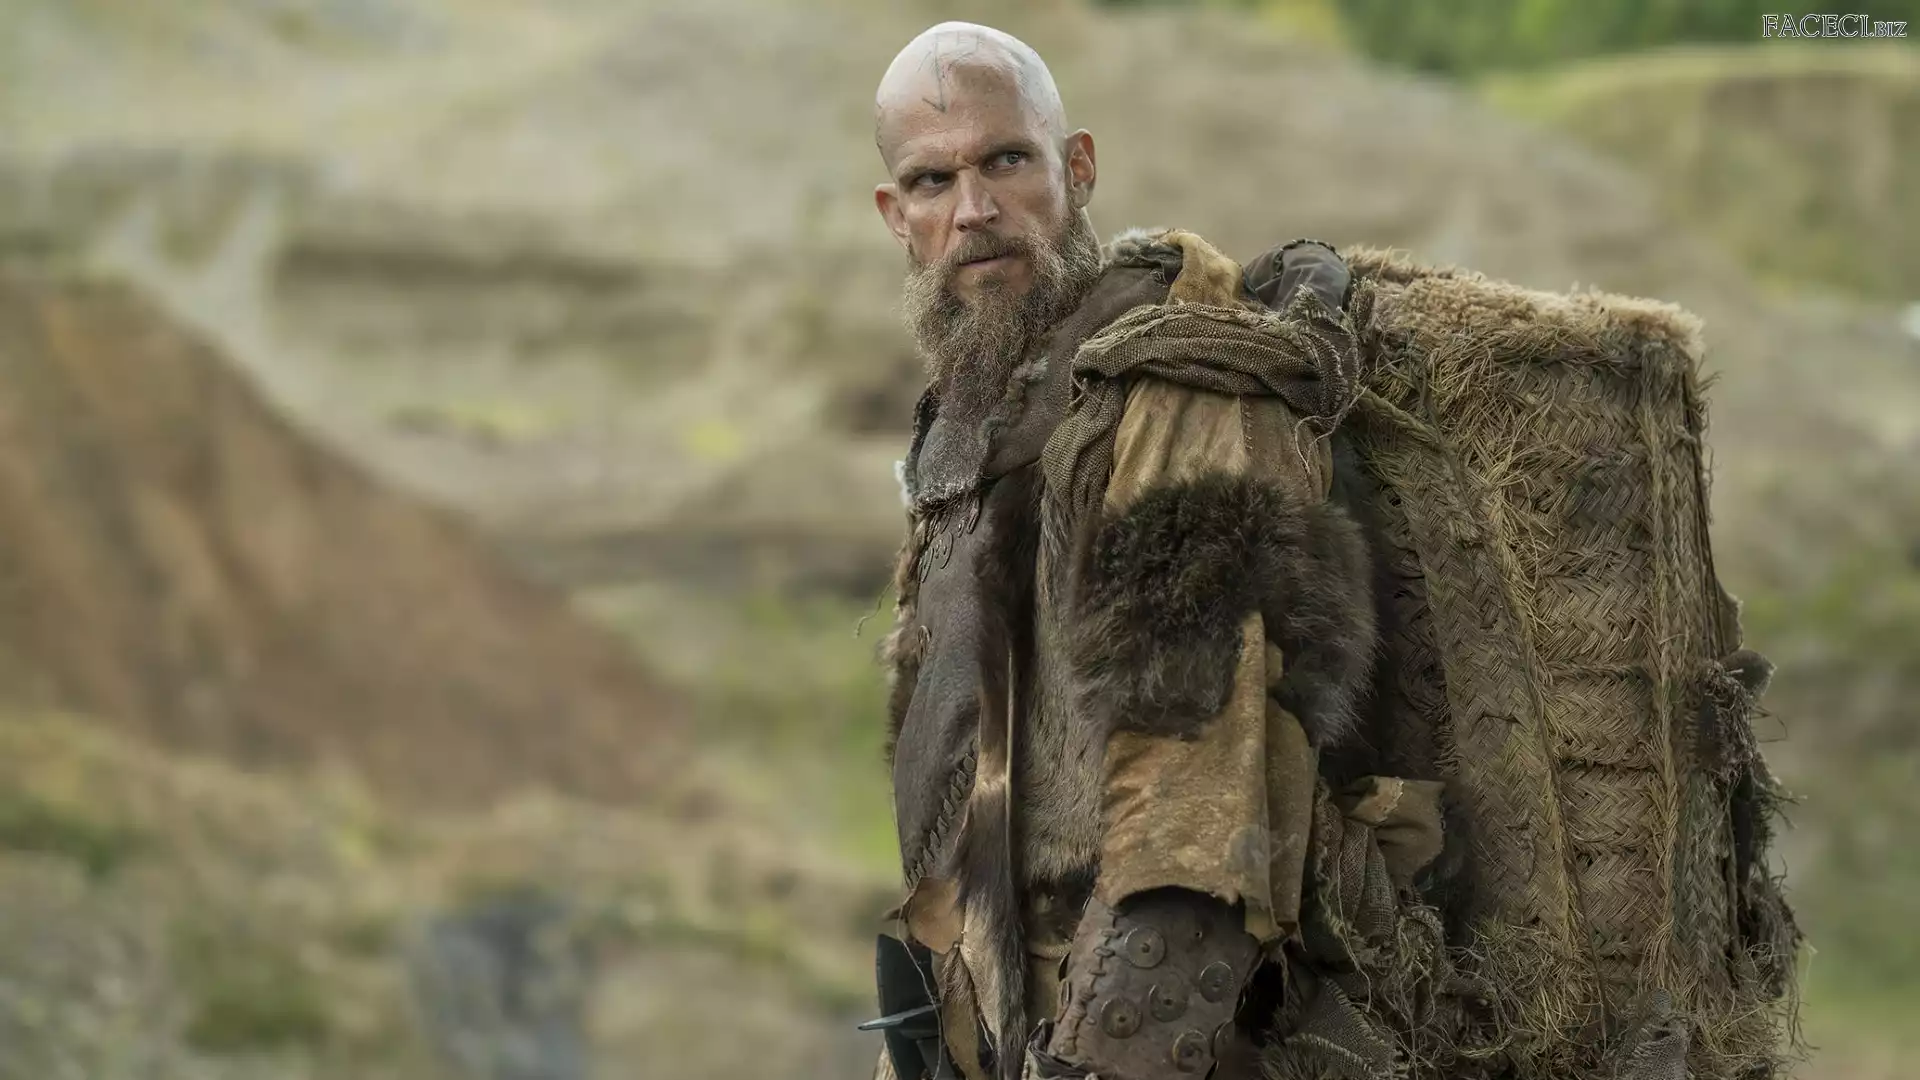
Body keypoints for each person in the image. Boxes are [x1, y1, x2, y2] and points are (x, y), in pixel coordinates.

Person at [867, 21, 1390, 1080]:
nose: (974, 210)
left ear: (1077, 167)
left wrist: (1100, 1062)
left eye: (1005, 160)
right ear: (896, 215)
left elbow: (1199, 814)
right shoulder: (969, 431)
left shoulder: (1181, 391)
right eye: (933, 180)